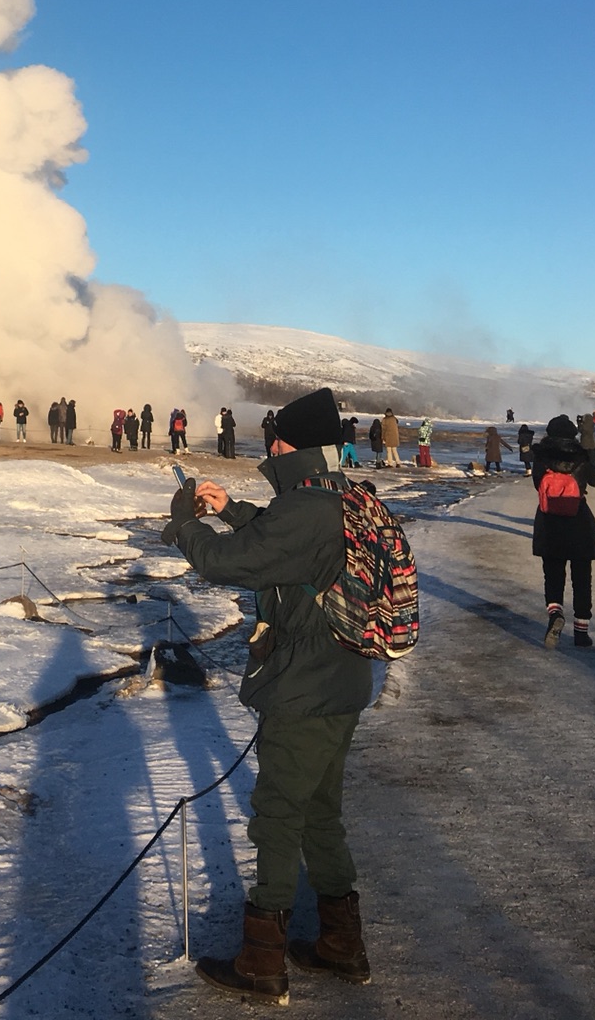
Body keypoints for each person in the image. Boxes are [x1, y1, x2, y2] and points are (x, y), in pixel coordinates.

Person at [163, 385, 377, 1000]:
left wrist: (185, 528)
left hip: (304, 685)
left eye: (275, 437)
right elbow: (284, 544)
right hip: (342, 679)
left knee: (279, 816)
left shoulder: (305, 507)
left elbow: (234, 565)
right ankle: (341, 944)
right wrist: (232, 509)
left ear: (294, 444)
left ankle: (262, 962)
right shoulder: (338, 495)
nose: (269, 444)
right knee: (320, 813)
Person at [531, 412, 595, 649]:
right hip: (579, 522)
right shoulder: (580, 456)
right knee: (582, 578)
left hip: (549, 521)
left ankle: (555, 614)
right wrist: (588, 457)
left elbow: (537, 485)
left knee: (553, 575)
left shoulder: (541, 457)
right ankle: (581, 633)